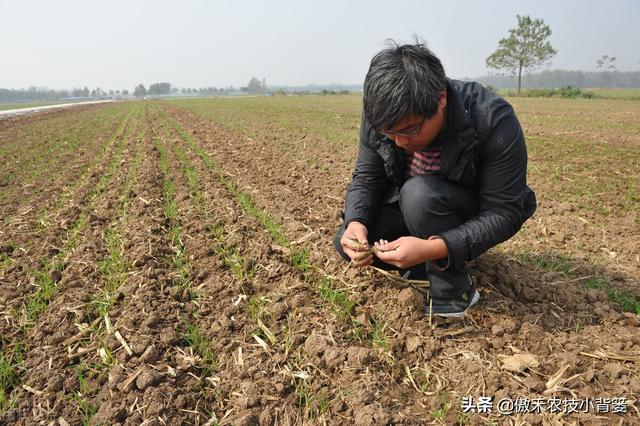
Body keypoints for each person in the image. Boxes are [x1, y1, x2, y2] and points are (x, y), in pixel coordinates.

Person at [333, 41, 537, 317]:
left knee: (419, 194)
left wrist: (433, 247)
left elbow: (505, 212)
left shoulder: (492, 119)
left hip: (459, 211)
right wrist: (356, 222)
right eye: (390, 134)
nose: (400, 142)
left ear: (441, 98)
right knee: (345, 240)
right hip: (409, 205)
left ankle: (453, 290)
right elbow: (368, 177)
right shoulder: (383, 116)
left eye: (410, 130)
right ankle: (418, 264)